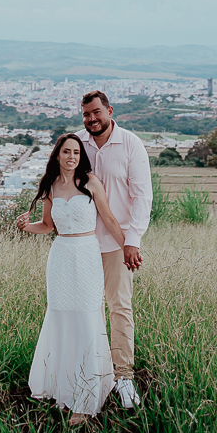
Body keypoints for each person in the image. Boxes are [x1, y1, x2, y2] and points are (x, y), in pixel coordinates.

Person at [16, 133, 126, 423]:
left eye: (76, 152)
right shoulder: (51, 187)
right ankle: (63, 390)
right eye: (67, 152)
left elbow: (111, 220)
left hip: (87, 255)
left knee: (87, 318)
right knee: (62, 317)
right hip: (61, 257)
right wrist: (25, 228)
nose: (72, 157)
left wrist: (128, 250)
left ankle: (86, 397)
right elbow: (48, 226)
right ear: (57, 155)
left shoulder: (90, 183)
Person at [80, 89, 153, 409]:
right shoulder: (75, 145)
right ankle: (93, 370)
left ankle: (123, 377)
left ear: (110, 110)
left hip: (116, 244)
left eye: (96, 112)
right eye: (86, 114)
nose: (91, 119)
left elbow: (143, 197)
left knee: (119, 307)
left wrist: (132, 241)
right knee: (85, 309)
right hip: (81, 243)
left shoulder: (131, 144)